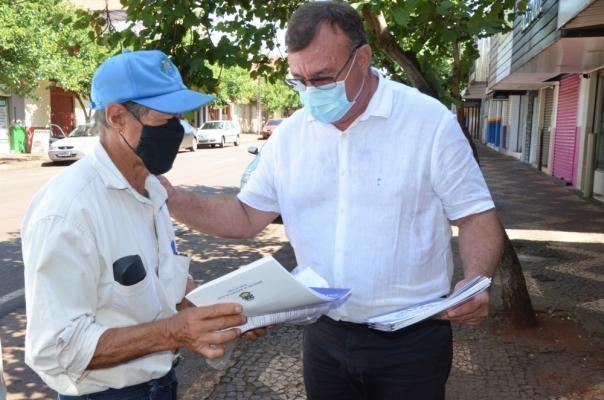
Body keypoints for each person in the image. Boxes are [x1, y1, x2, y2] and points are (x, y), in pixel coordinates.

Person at [159, 2, 504, 399]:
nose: (311, 93)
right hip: (324, 337)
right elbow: (244, 216)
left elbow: (476, 214)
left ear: (363, 58)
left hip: (412, 341)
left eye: (322, 79)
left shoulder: (428, 123)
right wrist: (172, 198)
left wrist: (476, 281)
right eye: (299, 81)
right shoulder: (290, 136)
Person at [21, 50, 247, 399]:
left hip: (162, 384)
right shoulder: (68, 210)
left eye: (180, 117)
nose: (178, 129)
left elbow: (161, 297)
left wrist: (221, 315)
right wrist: (173, 333)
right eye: (165, 118)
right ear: (117, 117)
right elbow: (56, 348)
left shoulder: (151, 188)